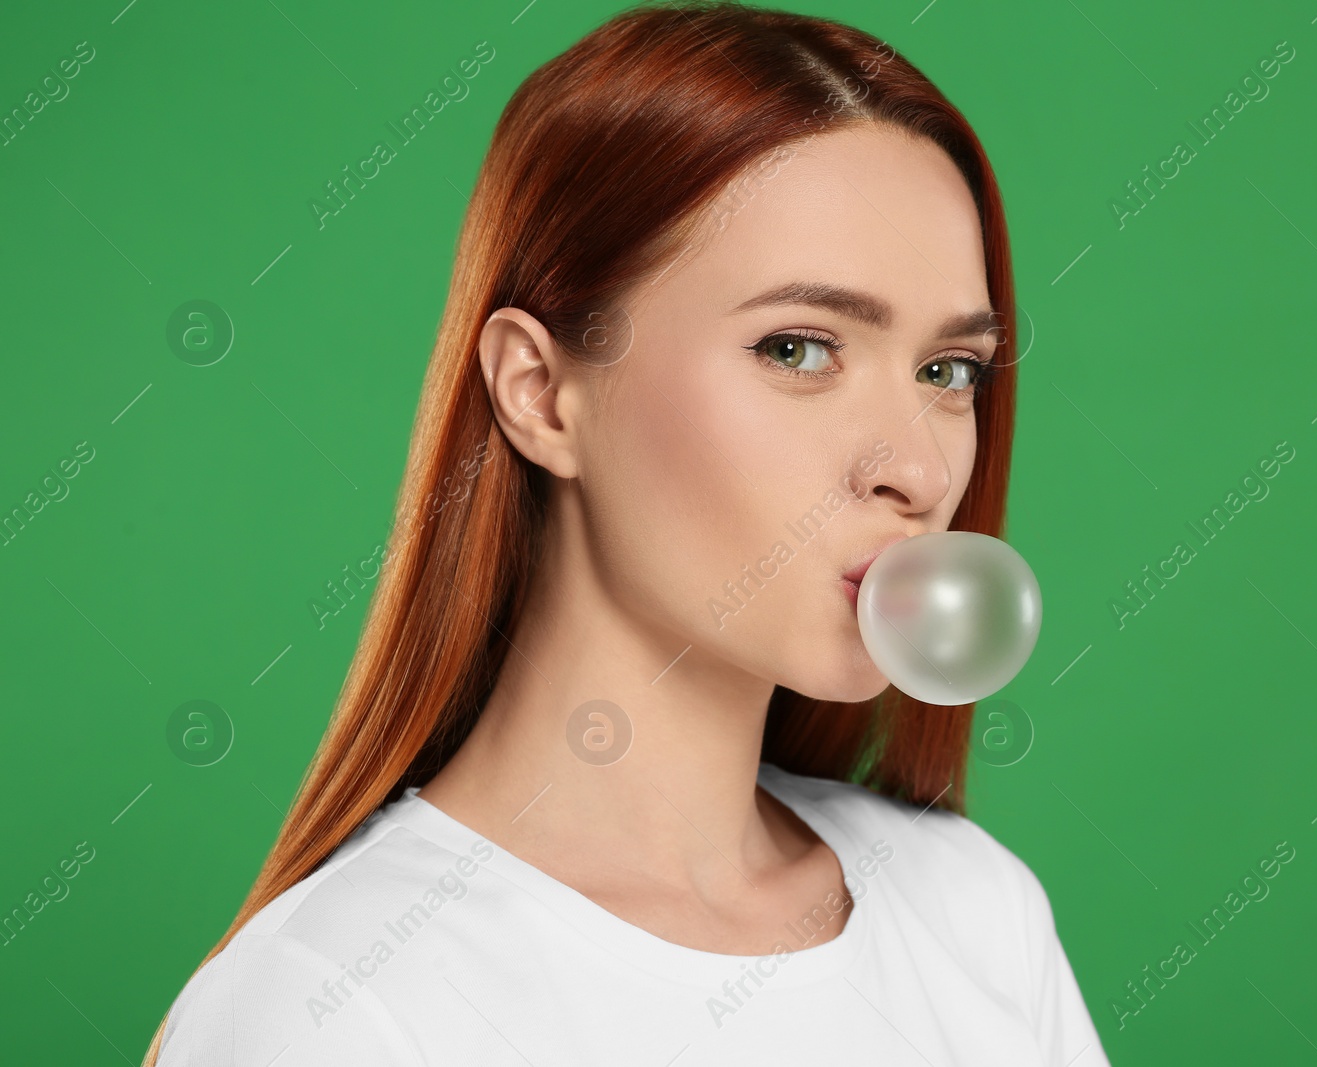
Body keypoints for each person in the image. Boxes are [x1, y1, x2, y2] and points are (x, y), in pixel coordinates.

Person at [144, 2, 1111, 1063]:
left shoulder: (974, 911)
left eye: (946, 371)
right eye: (797, 348)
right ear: (542, 392)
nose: (919, 469)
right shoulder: (333, 1004)